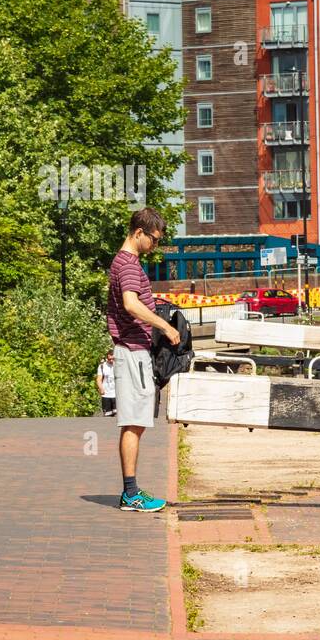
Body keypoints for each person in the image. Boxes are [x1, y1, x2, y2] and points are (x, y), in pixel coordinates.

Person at [106, 207, 181, 513]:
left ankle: (131, 491)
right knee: (134, 423)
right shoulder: (127, 264)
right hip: (131, 352)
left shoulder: (128, 263)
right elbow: (130, 303)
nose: (155, 246)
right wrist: (164, 326)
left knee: (137, 422)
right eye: (153, 239)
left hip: (136, 351)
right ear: (139, 233)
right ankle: (130, 494)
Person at [96, 350, 116, 417]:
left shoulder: (119, 366)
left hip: (116, 394)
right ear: (107, 358)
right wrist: (101, 388)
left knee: (117, 415)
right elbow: (99, 379)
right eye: (109, 359)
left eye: (113, 359)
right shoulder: (102, 366)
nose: (111, 361)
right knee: (107, 415)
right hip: (106, 394)